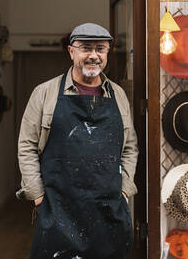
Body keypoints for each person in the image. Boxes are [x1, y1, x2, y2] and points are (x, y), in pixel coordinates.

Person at [17, 23, 138, 258]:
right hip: (59, 211)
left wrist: (124, 191)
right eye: (85, 48)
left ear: (107, 53)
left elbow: (130, 147)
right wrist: (39, 197)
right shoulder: (44, 93)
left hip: (108, 211)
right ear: (71, 51)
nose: (93, 55)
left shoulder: (118, 95)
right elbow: (27, 146)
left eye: (100, 49)